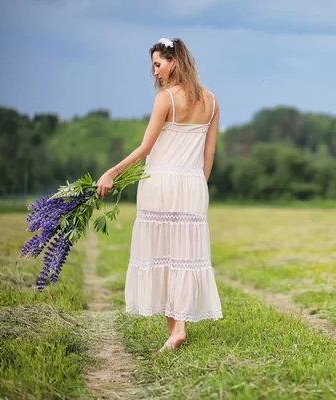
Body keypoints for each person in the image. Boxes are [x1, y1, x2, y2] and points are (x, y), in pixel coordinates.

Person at [95, 37, 223, 352]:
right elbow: (209, 154)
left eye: (157, 64)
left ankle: (177, 329)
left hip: (161, 183)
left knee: (163, 255)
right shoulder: (212, 100)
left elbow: (146, 147)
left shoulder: (166, 97)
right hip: (193, 185)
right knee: (183, 256)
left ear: (174, 61)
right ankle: (177, 329)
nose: (154, 72)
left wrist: (112, 171)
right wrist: (197, 186)